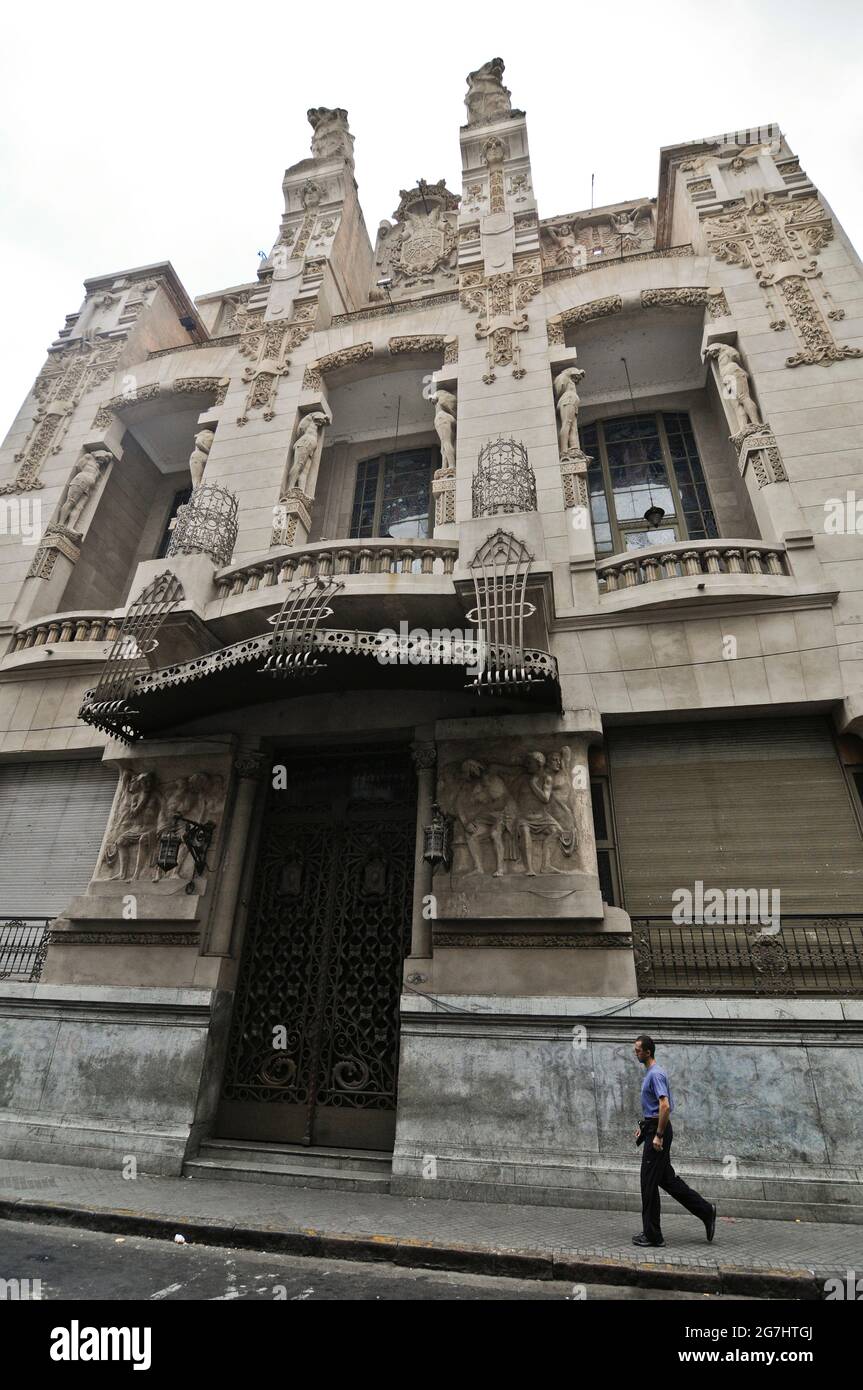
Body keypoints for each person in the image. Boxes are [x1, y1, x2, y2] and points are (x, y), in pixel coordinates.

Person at [632, 1034, 716, 1248]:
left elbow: (665, 1106)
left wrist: (658, 1135)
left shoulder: (656, 1074)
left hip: (658, 1133)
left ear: (648, 1051)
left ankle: (653, 1235)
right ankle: (706, 1211)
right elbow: (654, 1108)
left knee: (648, 1183)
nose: (636, 1053)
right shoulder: (651, 1073)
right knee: (667, 1180)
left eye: (638, 1050)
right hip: (652, 1129)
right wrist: (645, 1129)